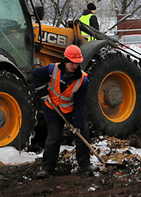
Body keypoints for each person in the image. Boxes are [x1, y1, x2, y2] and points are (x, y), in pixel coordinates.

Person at [31, 45, 94, 177]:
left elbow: (80, 105)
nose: (74, 66)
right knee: (53, 138)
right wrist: (43, 93)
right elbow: (36, 75)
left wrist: (77, 125)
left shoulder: (82, 80)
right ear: (65, 60)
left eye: (76, 63)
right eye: (71, 62)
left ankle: (85, 165)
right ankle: (47, 168)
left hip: (71, 110)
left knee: (82, 135)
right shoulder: (52, 70)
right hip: (53, 108)